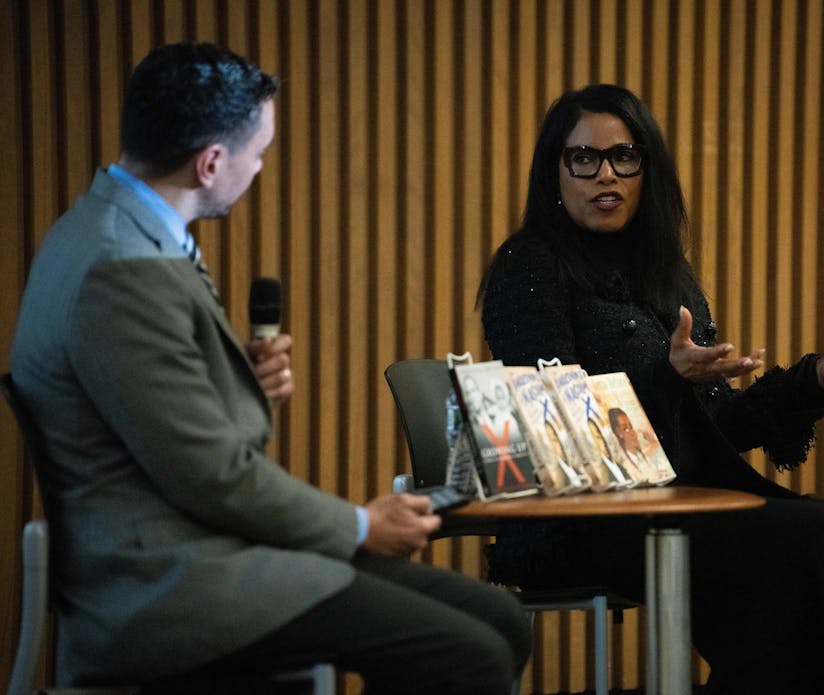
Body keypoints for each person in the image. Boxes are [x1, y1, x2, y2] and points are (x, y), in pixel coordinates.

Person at [10, 42, 530, 695]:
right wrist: (362, 525)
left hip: (200, 546)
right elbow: (214, 478)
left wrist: (244, 392)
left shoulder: (102, 228)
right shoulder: (125, 272)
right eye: (258, 153)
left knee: (500, 619)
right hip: (166, 582)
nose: (259, 168)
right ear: (210, 163)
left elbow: (162, 434)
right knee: (471, 656)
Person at [478, 84, 824, 695]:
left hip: (682, 502)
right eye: (584, 158)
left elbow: (720, 425)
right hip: (576, 521)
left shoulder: (665, 271)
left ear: (647, 169)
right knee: (810, 542)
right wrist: (666, 377)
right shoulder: (528, 266)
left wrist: (816, 376)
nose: (606, 174)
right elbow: (554, 425)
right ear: (555, 171)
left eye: (624, 156)